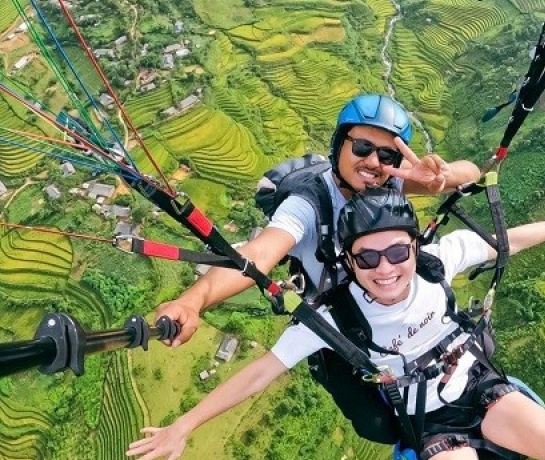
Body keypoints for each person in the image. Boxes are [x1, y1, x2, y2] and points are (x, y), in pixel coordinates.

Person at [128, 188, 545, 460]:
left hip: (480, 388)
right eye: (368, 259)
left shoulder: (438, 261)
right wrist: (186, 424)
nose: (385, 268)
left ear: (414, 246)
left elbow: (504, 240)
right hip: (429, 422)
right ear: (348, 262)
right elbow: (261, 372)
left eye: (397, 251)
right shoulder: (335, 315)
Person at [158, 94, 480, 347]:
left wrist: (441, 176)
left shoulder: (388, 180)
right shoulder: (308, 204)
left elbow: (473, 172)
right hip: (337, 305)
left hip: (379, 289)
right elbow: (258, 254)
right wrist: (193, 300)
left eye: (386, 155)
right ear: (339, 146)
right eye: (363, 147)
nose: (372, 162)